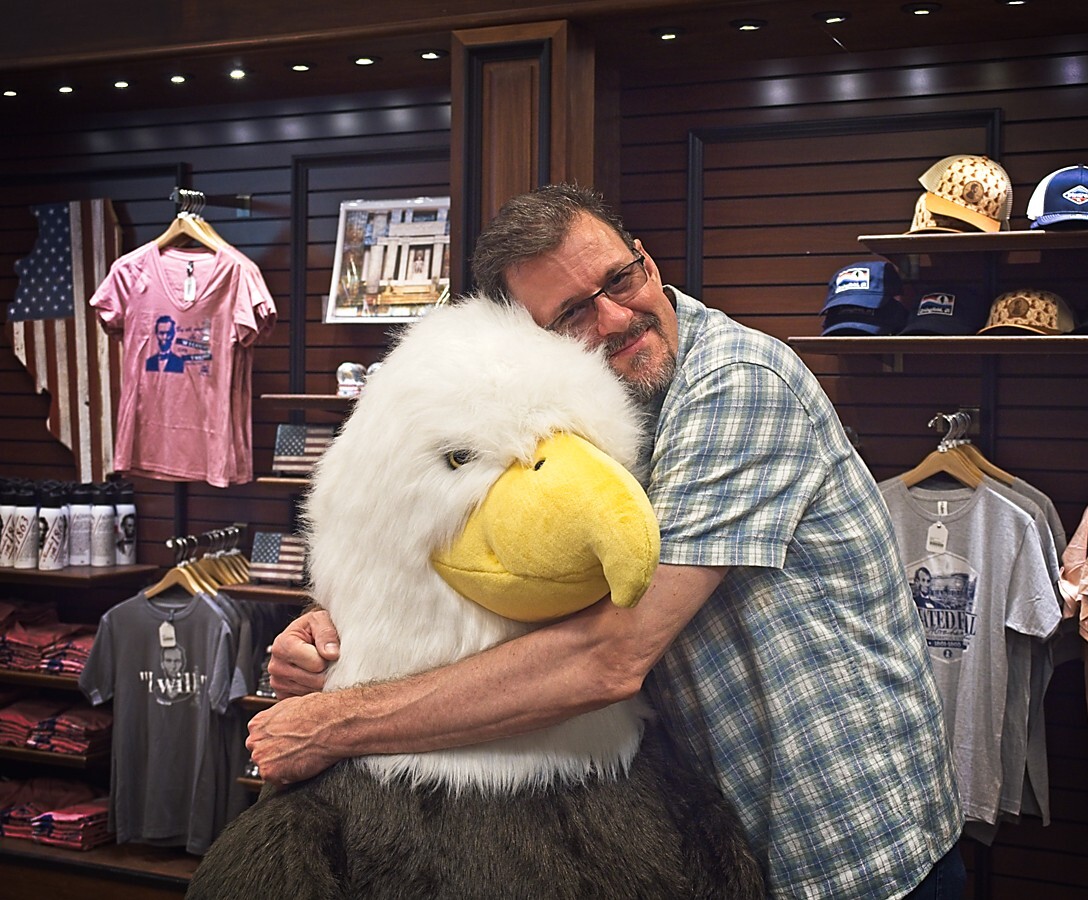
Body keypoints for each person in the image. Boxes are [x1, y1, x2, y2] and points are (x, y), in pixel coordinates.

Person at [249, 183, 964, 899]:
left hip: (852, 854)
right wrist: (343, 641)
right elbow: (477, 568)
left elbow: (611, 653)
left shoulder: (736, 385)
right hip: (711, 845)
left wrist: (335, 720)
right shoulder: (569, 416)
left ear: (646, 258)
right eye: (572, 314)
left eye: (621, 278)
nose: (618, 317)